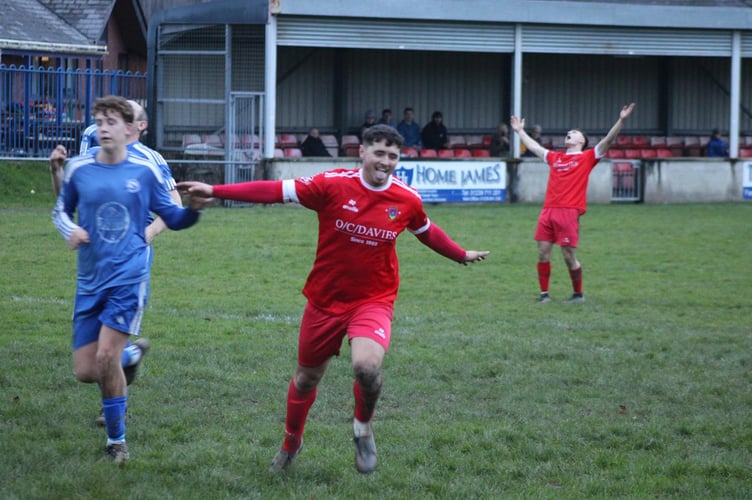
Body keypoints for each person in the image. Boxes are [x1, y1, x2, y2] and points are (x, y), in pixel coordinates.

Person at [178, 124, 489, 474]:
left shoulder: (406, 199)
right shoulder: (332, 185)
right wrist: (215, 190)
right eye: (379, 153)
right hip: (325, 300)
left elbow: (426, 231)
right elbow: (274, 190)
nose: (386, 161)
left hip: (373, 299)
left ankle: (362, 427)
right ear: (362, 152)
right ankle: (291, 443)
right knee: (306, 379)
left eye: (393, 156)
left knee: (367, 367)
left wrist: (460, 254)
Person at [51, 95, 207, 464]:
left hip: (129, 275)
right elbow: (61, 209)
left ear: (130, 129)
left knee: (106, 356)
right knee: (86, 371)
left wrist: (194, 212)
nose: (103, 128)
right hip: (90, 279)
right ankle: (131, 356)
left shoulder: (146, 171)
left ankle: (116, 443)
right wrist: (70, 229)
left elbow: (173, 214)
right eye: (99, 122)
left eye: (111, 122)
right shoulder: (80, 168)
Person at [511, 103, 636, 304]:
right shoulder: (556, 157)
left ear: (581, 141)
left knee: (568, 256)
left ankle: (578, 295)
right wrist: (519, 131)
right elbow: (534, 147)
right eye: (569, 132)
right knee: (543, 253)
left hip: (568, 212)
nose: (569, 133)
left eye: (574, 132)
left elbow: (608, 140)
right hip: (548, 211)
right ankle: (544, 296)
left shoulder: (588, 157)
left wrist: (621, 120)